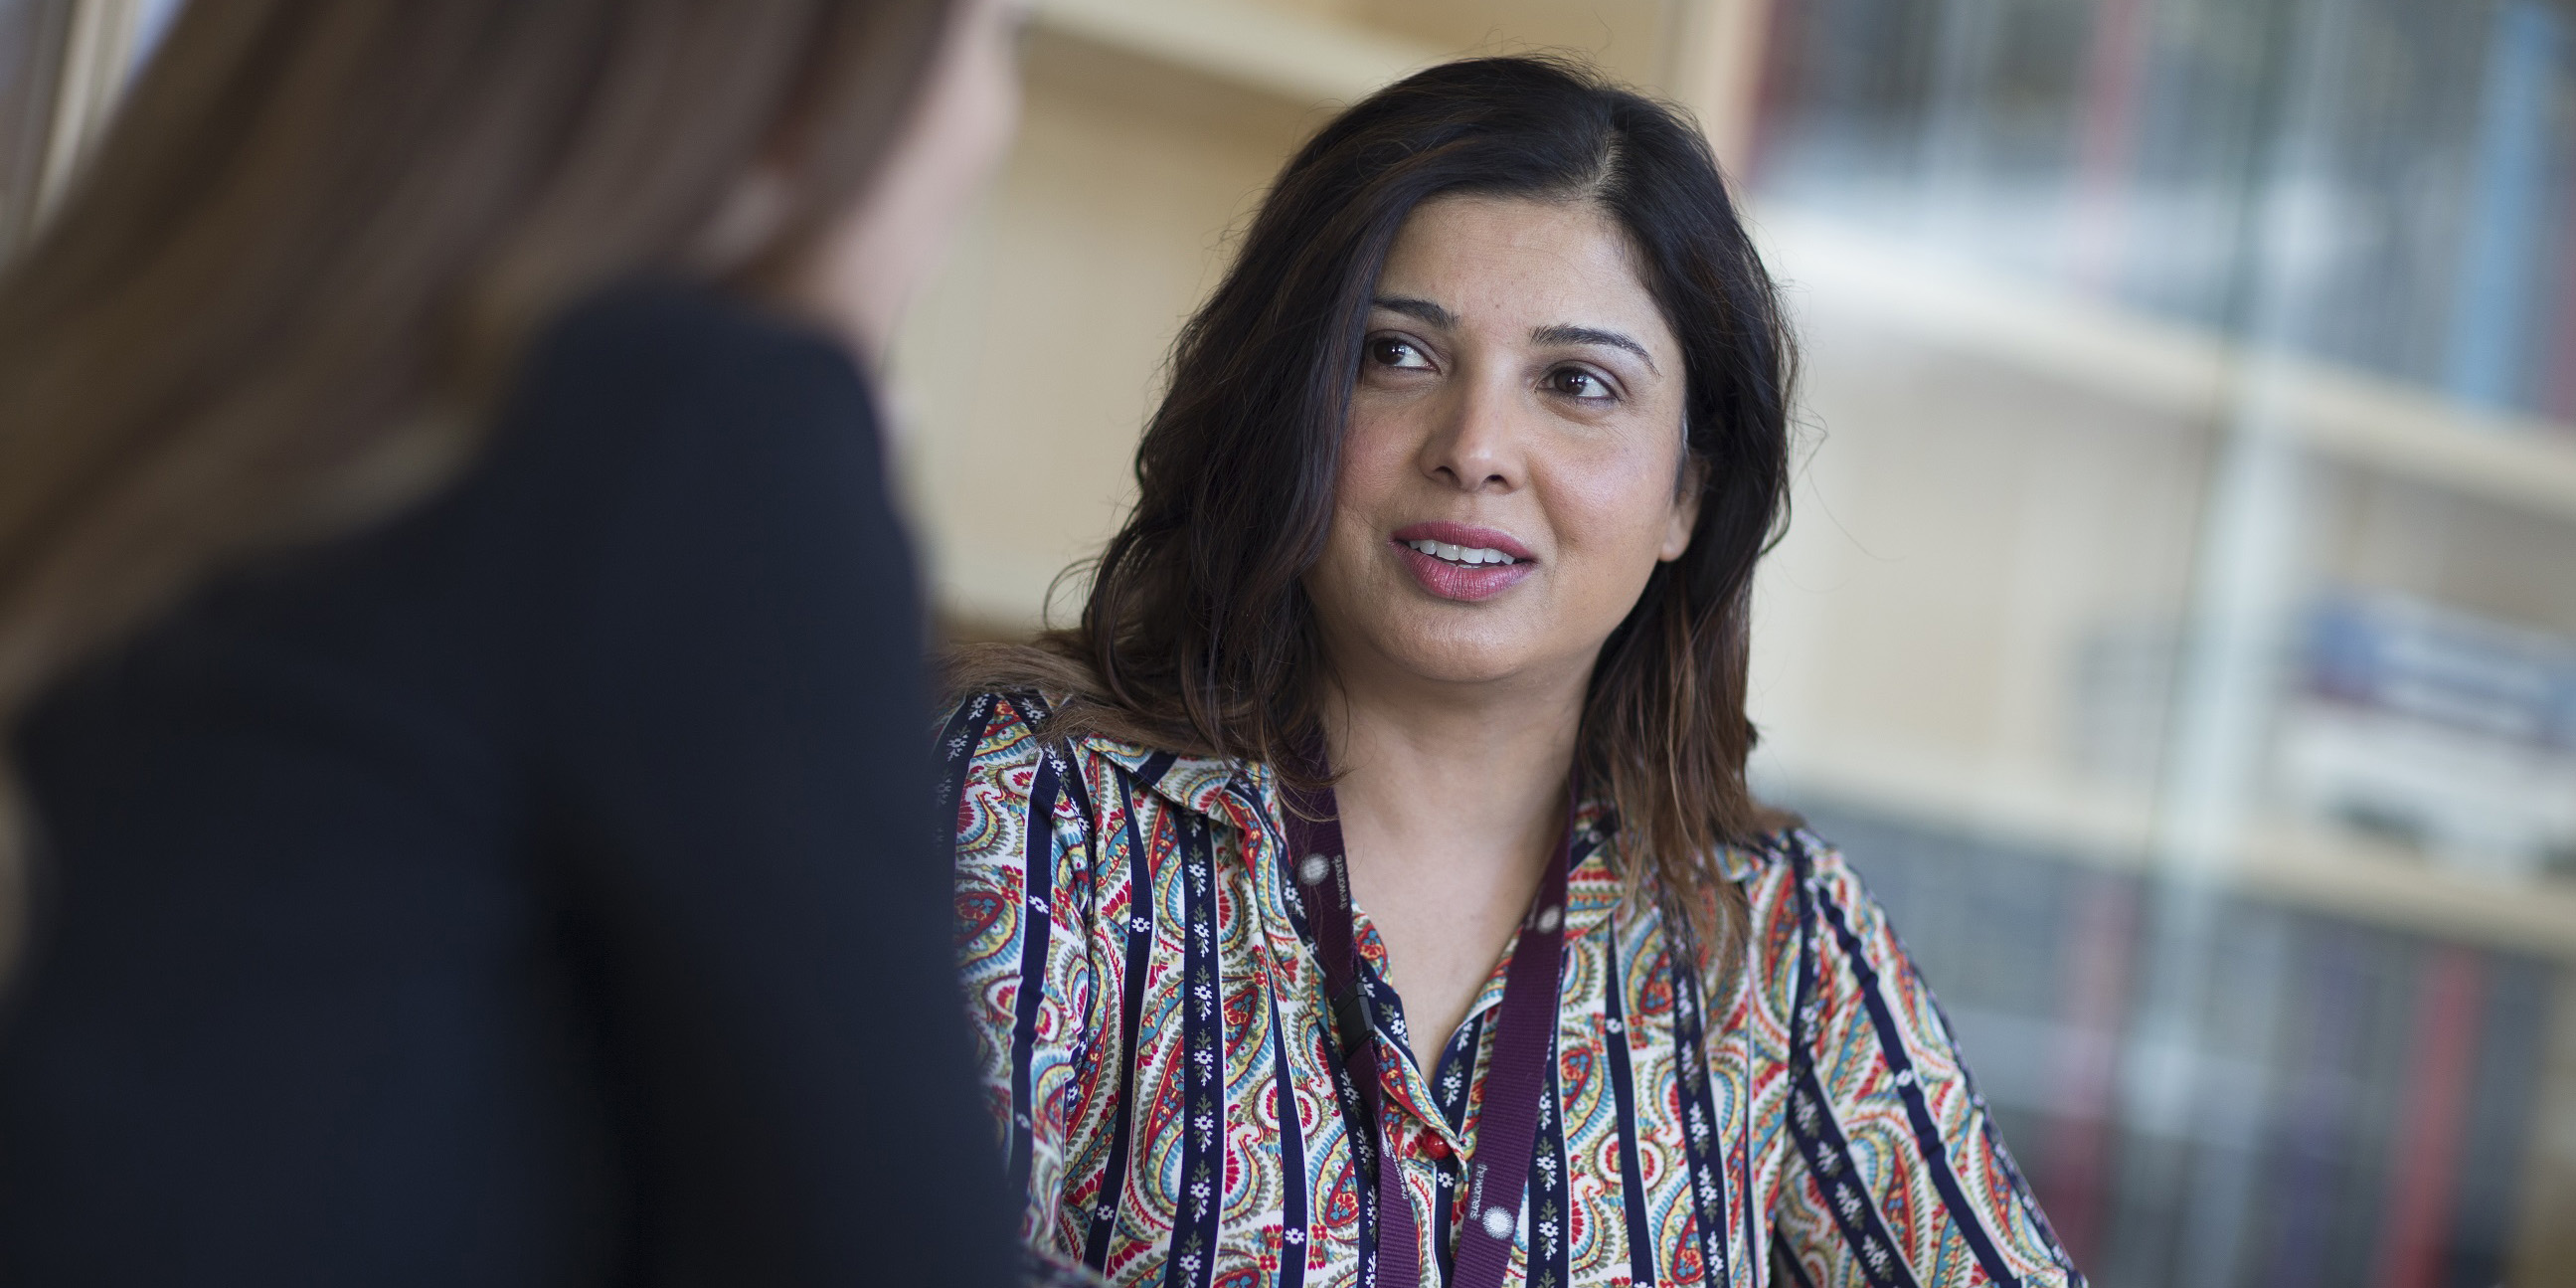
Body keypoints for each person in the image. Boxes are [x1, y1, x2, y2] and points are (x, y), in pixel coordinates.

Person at [944, 57, 2086, 1288]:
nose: (1476, 449)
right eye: (1395, 354)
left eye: (1577, 383)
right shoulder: (1036, 813)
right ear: (1287, 405)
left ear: (1686, 493)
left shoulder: (1768, 935)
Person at [0, 1, 1028, 1282]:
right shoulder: (679, 431)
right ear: (812, 64)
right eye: (993, 34)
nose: (992, 118)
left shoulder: (105, 383)